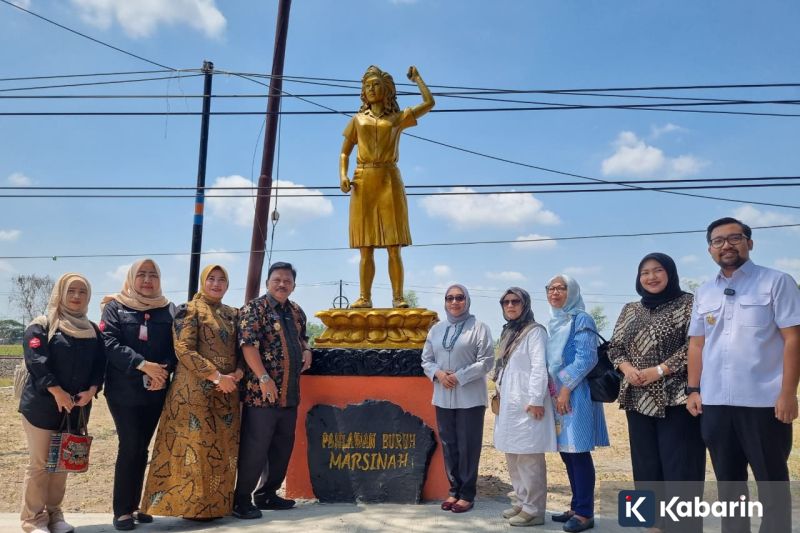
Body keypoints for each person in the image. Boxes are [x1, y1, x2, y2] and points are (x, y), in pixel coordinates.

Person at [686, 217, 800, 533]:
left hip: (764, 403)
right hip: (716, 403)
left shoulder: (776, 282)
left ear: (749, 243)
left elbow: (794, 339)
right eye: (718, 240)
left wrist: (788, 394)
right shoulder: (705, 292)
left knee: (771, 482)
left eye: (734, 238)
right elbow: (697, 344)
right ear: (710, 249)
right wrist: (693, 389)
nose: (726, 245)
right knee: (728, 484)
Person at [608, 253, 705, 533]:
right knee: (645, 466)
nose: (651, 277)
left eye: (657, 270)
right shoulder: (629, 309)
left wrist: (660, 370)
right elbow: (614, 347)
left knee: (681, 469)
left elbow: (696, 346)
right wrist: (626, 369)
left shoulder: (688, 304)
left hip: (677, 398)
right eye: (644, 273)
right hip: (636, 398)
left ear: (670, 273)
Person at [140, 264, 243, 520]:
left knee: (220, 451)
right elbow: (183, 349)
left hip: (227, 392)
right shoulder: (189, 310)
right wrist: (216, 376)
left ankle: (215, 507)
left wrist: (237, 375)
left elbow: (242, 349)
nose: (216, 284)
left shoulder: (233, 314)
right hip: (194, 392)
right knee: (193, 451)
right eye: (212, 279)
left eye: (222, 280)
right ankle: (188, 508)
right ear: (203, 281)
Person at [339, 64, 435, 308]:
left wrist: (418, 79)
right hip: (362, 180)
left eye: (376, 85)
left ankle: (398, 297)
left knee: (394, 245)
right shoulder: (357, 120)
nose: (371, 89)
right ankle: (365, 297)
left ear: (387, 90)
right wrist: (342, 175)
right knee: (365, 246)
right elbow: (344, 153)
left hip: (389, 180)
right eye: (367, 86)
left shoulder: (397, 118)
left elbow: (429, 103)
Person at [18, 273, 106, 533]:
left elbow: (100, 366)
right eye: (71, 291)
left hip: (76, 409)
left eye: (82, 292)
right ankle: (32, 519)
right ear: (60, 293)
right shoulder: (42, 326)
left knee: (62, 464)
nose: (76, 296)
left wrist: (91, 390)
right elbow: (36, 360)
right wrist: (57, 392)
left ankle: (55, 515)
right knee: (40, 464)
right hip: (42, 406)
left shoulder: (92, 330)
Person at [100, 259, 176, 531]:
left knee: (142, 448)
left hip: (156, 390)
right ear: (131, 278)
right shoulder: (115, 307)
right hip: (124, 391)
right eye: (141, 275)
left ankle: (136, 505)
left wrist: (162, 372)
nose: (147, 280)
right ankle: (121, 510)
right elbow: (108, 343)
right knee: (130, 445)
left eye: (153, 275)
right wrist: (142, 365)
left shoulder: (167, 309)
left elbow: (175, 346)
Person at [233, 262, 313, 520]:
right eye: (277, 279)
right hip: (261, 393)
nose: (282, 284)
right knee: (255, 448)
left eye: (287, 281)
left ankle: (267, 494)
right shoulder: (254, 309)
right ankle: (241, 499)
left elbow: (304, 338)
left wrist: (308, 350)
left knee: (281, 447)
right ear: (268, 282)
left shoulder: (297, 311)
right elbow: (247, 345)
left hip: (289, 394)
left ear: (293, 285)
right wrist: (264, 378)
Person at [421, 284, 493, 514]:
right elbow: (426, 359)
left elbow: (486, 361)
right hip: (443, 396)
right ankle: (454, 490)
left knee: (468, 446)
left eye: (459, 297)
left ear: (467, 300)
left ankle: (467, 494)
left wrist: (459, 377)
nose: (454, 302)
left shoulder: (479, 328)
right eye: (450, 298)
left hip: (470, 397)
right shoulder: (436, 330)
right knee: (449, 445)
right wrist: (439, 374)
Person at [545, 275, 609, 533]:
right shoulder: (555, 322)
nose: (555, 293)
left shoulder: (582, 318)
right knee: (567, 453)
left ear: (572, 292)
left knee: (579, 453)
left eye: (562, 288)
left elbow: (586, 358)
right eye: (551, 288)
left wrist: (565, 390)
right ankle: (576, 505)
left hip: (576, 393)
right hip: (558, 394)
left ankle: (585, 513)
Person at [493, 287, 556, 527]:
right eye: (506, 302)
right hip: (509, 403)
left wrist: (536, 400)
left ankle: (534, 510)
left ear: (525, 304)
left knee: (529, 457)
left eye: (515, 301)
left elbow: (540, 367)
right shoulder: (509, 331)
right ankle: (521, 501)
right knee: (513, 454)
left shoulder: (534, 331)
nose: (510, 306)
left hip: (528, 403)